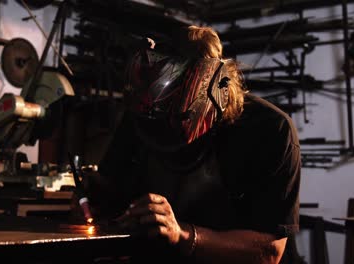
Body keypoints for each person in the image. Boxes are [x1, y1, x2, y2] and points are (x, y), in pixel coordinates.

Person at [73, 25, 301, 264]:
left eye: (172, 119)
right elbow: (107, 191)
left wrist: (182, 234)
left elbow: (268, 252)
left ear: (212, 92)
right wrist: (89, 203)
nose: (160, 130)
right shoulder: (144, 114)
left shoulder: (269, 130)